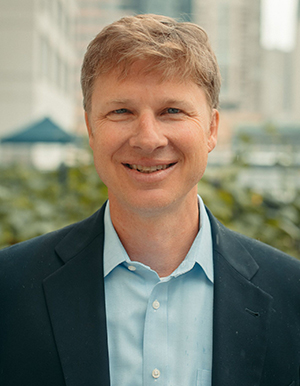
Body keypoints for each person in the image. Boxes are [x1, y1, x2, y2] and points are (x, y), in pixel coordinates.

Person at [0, 14, 300, 386]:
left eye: (171, 111)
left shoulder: (292, 294)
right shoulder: (8, 289)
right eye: (121, 111)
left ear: (211, 129)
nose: (148, 138)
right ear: (91, 129)